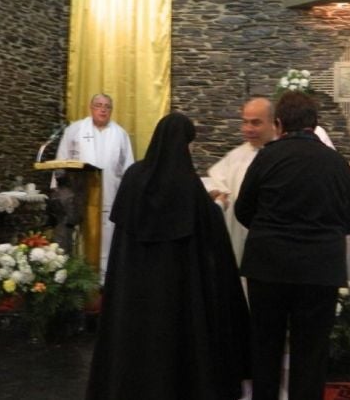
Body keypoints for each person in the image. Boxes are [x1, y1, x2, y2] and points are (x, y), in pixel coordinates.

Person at [86, 112, 250, 400]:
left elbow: (123, 230)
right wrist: (219, 206)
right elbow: (209, 231)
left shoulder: (134, 176)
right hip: (175, 292)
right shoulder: (188, 185)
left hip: (133, 288)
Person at [235, 92, 350, 400]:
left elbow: (242, 210)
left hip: (268, 266)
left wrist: (272, 230)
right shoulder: (337, 163)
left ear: (278, 124)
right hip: (320, 269)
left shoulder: (266, 157)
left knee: (266, 347)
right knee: (311, 352)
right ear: (315, 125)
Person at [55, 93, 134, 277]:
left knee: (108, 237)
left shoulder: (120, 134)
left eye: (107, 106)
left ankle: (105, 280)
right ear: (91, 108)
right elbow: (61, 161)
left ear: (111, 110)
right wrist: (58, 191)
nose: (103, 109)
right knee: (80, 237)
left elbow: (128, 168)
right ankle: (80, 277)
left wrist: (127, 197)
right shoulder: (74, 130)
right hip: (80, 195)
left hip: (110, 194)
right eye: (98, 105)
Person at [207, 96, 277, 265]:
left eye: (255, 123)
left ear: (273, 123)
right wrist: (216, 193)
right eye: (245, 122)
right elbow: (217, 181)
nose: (248, 129)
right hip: (238, 237)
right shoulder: (236, 155)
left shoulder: (282, 155)